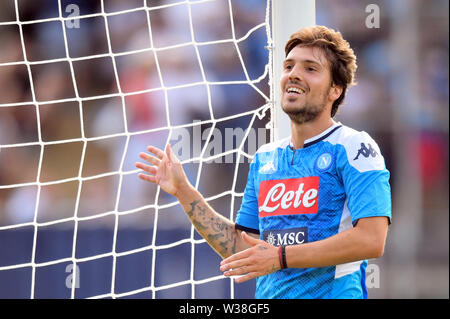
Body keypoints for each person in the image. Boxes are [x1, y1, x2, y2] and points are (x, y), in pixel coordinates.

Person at [135, 25, 391, 299]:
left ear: (335, 90)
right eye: (289, 66)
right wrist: (184, 192)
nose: (294, 74)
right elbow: (243, 249)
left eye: (310, 69)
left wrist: (281, 257)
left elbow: (371, 240)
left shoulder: (354, 147)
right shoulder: (265, 158)